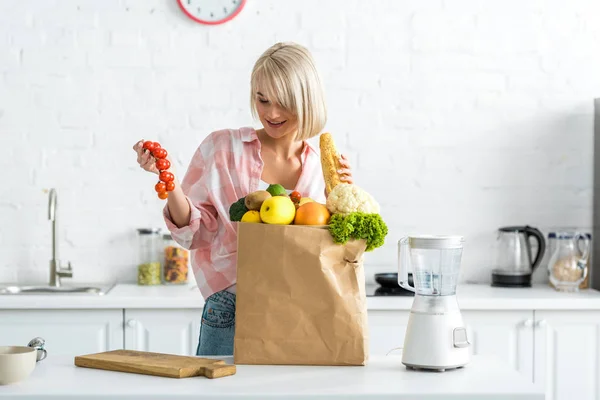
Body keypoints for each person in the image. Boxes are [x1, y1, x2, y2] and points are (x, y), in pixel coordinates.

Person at [132, 42, 354, 356]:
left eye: (284, 103)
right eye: (262, 100)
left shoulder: (321, 167)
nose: (271, 113)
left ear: (307, 101)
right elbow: (196, 233)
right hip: (230, 306)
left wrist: (339, 201)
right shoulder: (222, 148)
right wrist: (168, 183)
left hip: (298, 309)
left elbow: (330, 253)